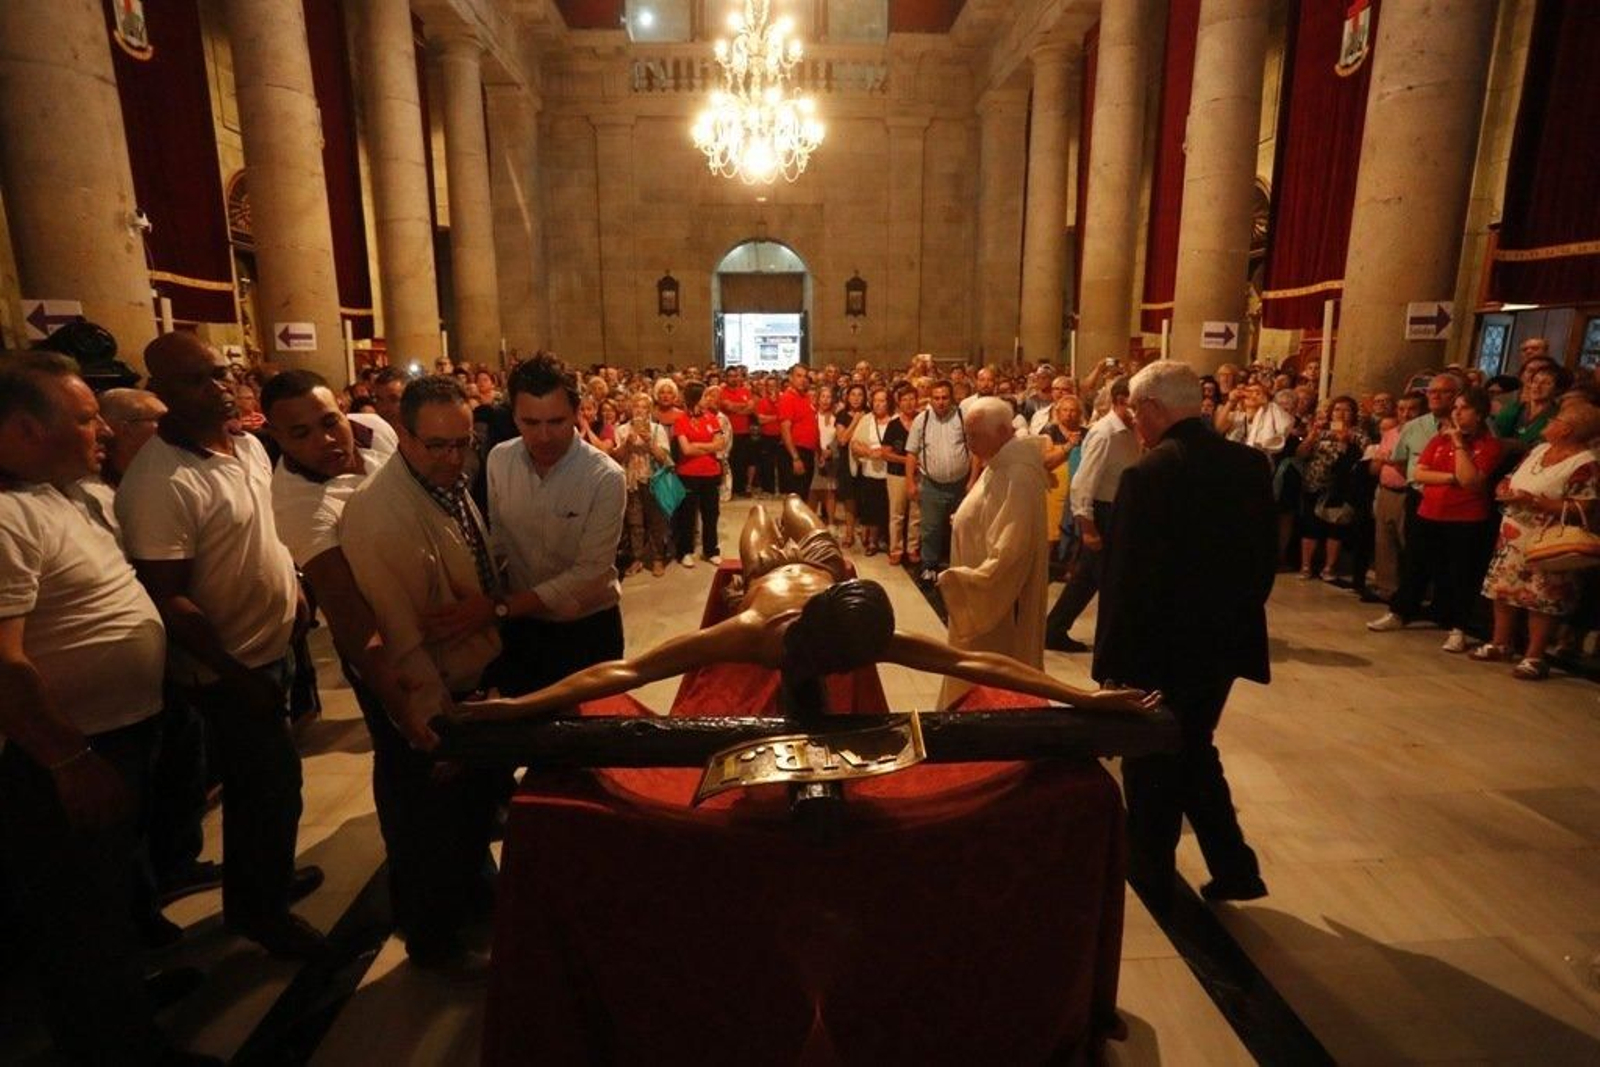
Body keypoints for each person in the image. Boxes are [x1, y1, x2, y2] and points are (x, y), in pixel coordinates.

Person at [460, 495, 1156, 723]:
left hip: (799, 568)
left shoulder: (851, 632)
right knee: (773, 508)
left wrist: (1086, 697)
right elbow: (625, 669)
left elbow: (973, 659)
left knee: (788, 510)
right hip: (782, 570)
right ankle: (786, 503)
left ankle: (794, 508)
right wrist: (520, 707)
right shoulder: (756, 627)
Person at [0, 352, 220, 1066]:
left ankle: (127, 1003)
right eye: (86, 417)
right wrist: (67, 758)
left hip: (124, 730)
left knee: (113, 895)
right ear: (27, 429)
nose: (103, 431)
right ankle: (114, 1046)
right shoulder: (5, 517)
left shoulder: (64, 491)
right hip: (72, 749)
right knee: (80, 920)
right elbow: (4, 661)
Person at [117, 332, 325, 959]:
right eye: (197, 380)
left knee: (270, 788)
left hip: (270, 648)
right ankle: (258, 913)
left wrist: (296, 587)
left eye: (221, 372)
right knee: (267, 786)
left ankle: (264, 881)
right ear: (161, 394)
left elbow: (262, 538)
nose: (219, 386)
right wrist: (235, 675)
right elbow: (170, 598)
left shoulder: (246, 448)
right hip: (227, 669)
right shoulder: (160, 481)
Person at [1094, 361, 1274, 911]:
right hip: (1222, 646)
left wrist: (1110, 670)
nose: (1133, 423)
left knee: (1150, 760)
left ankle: (1148, 871)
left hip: (1158, 650)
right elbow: (1266, 561)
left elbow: (1125, 583)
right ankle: (1235, 869)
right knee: (1193, 748)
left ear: (1150, 409)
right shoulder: (1249, 465)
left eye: (1134, 412)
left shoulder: (1149, 477)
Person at [470, 354, 627, 697]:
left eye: (556, 421)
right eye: (530, 422)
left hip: (586, 630)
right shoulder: (500, 459)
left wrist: (503, 607)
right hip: (522, 629)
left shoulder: (604, 477)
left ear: (578, 412)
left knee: (588, 743)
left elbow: (591, 571)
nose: (543, 436)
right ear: (513, 416)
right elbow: (498, 539)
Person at [937, 398, 1050, 707]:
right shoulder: (1000, 463)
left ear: (1002, 430)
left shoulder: (1017, 474)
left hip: (998, 606)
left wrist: (964, 582)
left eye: (974, 435)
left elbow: (1011, 553)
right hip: (983, 592)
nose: (969, 443)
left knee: (992, 680)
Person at [1475, 401, 1600, 679]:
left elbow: (1584, 507)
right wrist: (1505, 486)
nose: (1547, 423)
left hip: (1549, 539)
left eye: (1554, 420)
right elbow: (1512, 476)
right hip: (1514, 535)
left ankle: (1534, 656)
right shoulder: (1540, 449)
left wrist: (1533, 501)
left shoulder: (1585, 463)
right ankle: (1500, 642)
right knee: (1504, 590)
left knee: (1542, 596)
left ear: (1567, 429)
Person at [1375, 388, 1503, 652]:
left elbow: (1471, 481)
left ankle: (1458, 627)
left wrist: (1458, 444)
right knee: (1415, 566)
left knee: (1460, 574)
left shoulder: (1488, 445)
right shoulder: (1438, 441)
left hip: (1466, 519)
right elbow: (1419, 473)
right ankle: (1400, 612)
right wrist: (1450, 477)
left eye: (1463, 408)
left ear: (1479, 415)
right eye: (1455, 407)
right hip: (1429, 512)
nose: (1456, 412)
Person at [1045, 377, 1138, 653]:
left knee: (1089, 578)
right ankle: (1106, 639)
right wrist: (1087, 526)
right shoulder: (1104, 432)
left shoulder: (1129, 431)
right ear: (1121, 401)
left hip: (1118, 510)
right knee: (1104, 578)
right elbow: (1083, 482)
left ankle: (1054, 629)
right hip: (1101, 512)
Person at [905, 379, 973, 582]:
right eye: (936, 398)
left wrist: (973, 479)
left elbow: (974, 450)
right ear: (930, 399)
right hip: (932, 485)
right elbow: (911, 453)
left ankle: (960, 568)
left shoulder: (962, 417)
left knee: (962, 528)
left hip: (961, 484)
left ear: (951, 398)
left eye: (944, 398)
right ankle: (929, 568)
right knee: (931, 529)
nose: (941, 402)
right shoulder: (922, 420)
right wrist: (910, 481)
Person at [1295, 396, 1369, 580]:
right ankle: (1306, 566)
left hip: (1339, 486)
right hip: (1315, 482)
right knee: (1310, 526)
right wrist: (1311, 437)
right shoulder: (1321, 431)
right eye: (1337, 409)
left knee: (1335, 527)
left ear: (1353, 414)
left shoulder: (1359, 434)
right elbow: (1301, 453)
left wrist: (1345, 442)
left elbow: (1363, 459)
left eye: (1346, 410)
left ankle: (1329, 568)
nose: (1341, 413)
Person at [614, 392, 673, 577]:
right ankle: (637, 559)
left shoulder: (657, 429)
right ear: (631, 409)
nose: (640, 411)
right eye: (636, 407)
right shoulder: (622, 430)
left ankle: (657, 559)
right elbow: (617, 458)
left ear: (649, 411)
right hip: (631, 481)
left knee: (657, 521)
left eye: (644, 407)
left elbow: (664, 458)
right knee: (635, 523)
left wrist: (649, 442)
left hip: (653, 479)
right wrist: (627, 445)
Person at [674, 380, 726, 567]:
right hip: (688, 474)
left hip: (711, 473)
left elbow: (720, 443)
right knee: (688, 514)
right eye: (705, 396)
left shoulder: (711, 418)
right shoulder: (680, 420)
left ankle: (711, 550)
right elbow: (685, 450)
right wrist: (708, 447)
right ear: (695, 398)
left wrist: (698, 445)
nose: (708, 399)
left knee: (711, 513)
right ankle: (685, 551)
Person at [849, 387, 893, 555]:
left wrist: (885, 453)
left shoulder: (895, 420)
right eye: (876, 401)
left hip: (891, 471)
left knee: (889, 508)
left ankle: (887, 540)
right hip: (871, 471)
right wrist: (868, 452)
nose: (879, 404)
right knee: (872, 507)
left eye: (882, 400)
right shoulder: (866, 419)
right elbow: (855, 443)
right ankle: (873, 542)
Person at [882, 383, 922, 566]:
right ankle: (895, 549)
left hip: (919, 474)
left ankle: (912, 548)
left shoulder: (923, 421)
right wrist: (907, 460)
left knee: (916, 513)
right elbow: (885, 452)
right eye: (904, 399)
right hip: (897, 474)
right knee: (896, 514)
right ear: (899, 402)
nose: (908, 403)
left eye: (912, 399)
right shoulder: (893, 425)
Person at [778, 363, 821, 498]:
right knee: (795, 498)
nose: (802, 380)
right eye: (799, 376)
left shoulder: (806, 398)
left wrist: (818, 451)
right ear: (791, 378)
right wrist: (795, 458)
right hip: (795, 452)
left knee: (803, 495)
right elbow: (785, 430)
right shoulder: (787, 398)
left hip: (808, 452)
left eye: (805, 377)